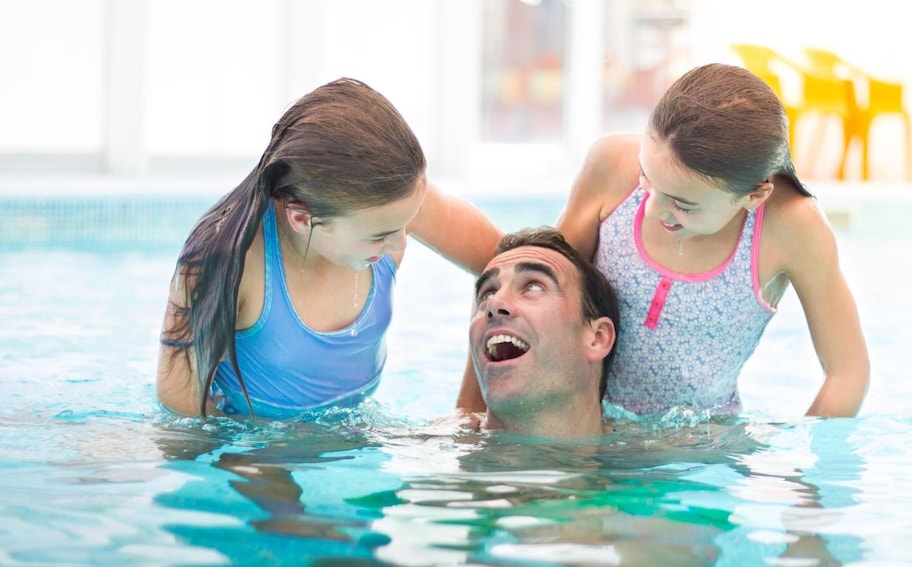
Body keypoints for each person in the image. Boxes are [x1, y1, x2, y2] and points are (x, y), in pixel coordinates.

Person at [157, 78, 502, 418]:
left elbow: (504, 263)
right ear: (302, 219)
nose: (401, 242)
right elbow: (182, 405)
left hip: (361, 427)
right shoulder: (227, 260)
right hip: (258, 439)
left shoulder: (397, 204)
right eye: (380, 235)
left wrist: (471, 405)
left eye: (406, 224)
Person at [556, 63, 869, 417]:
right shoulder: (611, 164)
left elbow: (847, 373)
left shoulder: (791, 226)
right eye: (646, 175)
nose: (653, 210)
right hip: (583, 421)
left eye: (682, 204)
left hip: (702, 441)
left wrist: (807, 455)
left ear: (753, 196)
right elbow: (538, 294)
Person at [468, 227, 619, 439]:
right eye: (487, 294)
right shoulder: (430, 448)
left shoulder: (658, 451)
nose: (494, 303)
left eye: (533, 287)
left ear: (597, 339)